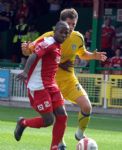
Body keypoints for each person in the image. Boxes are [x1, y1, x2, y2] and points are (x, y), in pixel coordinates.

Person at [21, 8, 107, 150]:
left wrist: (93, 56)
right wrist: (25, 48)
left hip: (69, 80)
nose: (72, 27)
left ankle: (79, 135)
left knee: (87, 106)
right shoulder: (48, 36)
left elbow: (82, 53)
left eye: (74, 24)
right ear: (61, 23)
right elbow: (30, 51)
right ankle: (58, 143)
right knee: (59, 114)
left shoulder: (77, 37)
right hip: (50, 82)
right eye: (69, 23)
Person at [14, 21, 70, 150]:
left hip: (51, 85)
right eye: (61, 32)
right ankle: (23, 123)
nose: (64, 35)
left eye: (66, 33)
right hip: (38, 86)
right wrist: (26, 72)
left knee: (62, 115)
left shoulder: (57, 45)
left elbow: (47, 61)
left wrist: (61, 65)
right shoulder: (48, 42)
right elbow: (34, 56)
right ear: (55, 31)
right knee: (48, 120)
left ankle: (54, 147)